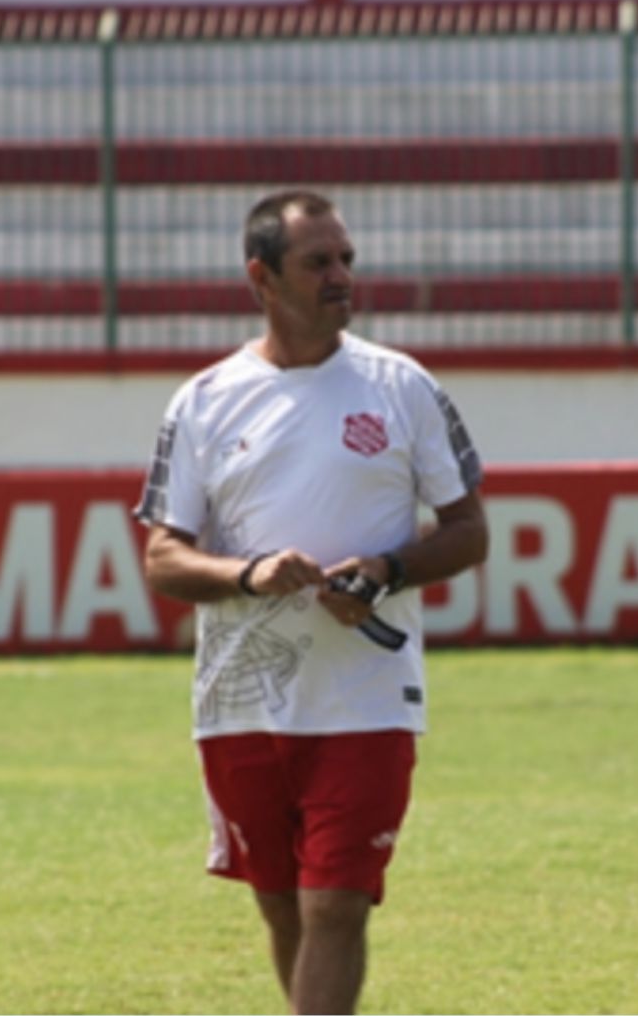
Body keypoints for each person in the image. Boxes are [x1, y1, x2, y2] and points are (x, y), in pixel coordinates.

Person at [134, 190, 488, 1015]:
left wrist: (387, 568)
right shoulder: (204, 400)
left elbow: (469, 531)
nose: (342, 277)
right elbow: (163, 557)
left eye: (347, 259)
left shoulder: (401, 386)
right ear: (261, 277)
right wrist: (249, 574)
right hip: (242, 698)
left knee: (335, 904)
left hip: (365, 696)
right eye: (318, 262)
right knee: (284, 905)